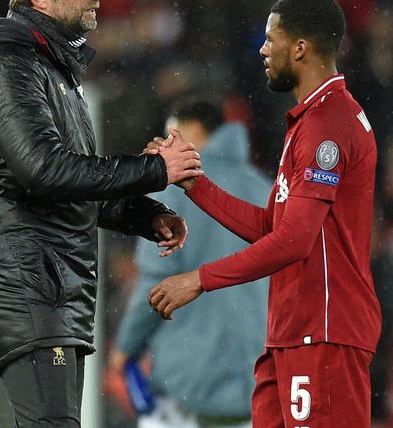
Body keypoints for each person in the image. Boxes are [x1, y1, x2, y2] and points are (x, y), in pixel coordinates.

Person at [0, 0, 202, 428]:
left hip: (48, 282)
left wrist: (143, 216)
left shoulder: (51, 70)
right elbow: (44, 171)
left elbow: (70, 182)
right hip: (26, 281)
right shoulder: (8, 66)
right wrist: (155, 170)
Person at [147, 0, 382, 427]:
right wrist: (194, 183)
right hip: (292, 333)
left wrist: (200, 279)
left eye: (271, 39)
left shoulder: (328, 126)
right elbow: (271, 226)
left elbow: (294, 241)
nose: (262, 49)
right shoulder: (309, 121)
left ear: (300, 47)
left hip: (323, 332)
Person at [109, 99, 272, 428]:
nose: (165, 145)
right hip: (255, 379)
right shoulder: (265, 188)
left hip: (188, 382)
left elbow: (154, 282)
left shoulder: (174, 187)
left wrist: (126, 347)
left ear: (195, 130)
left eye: (172, 134)